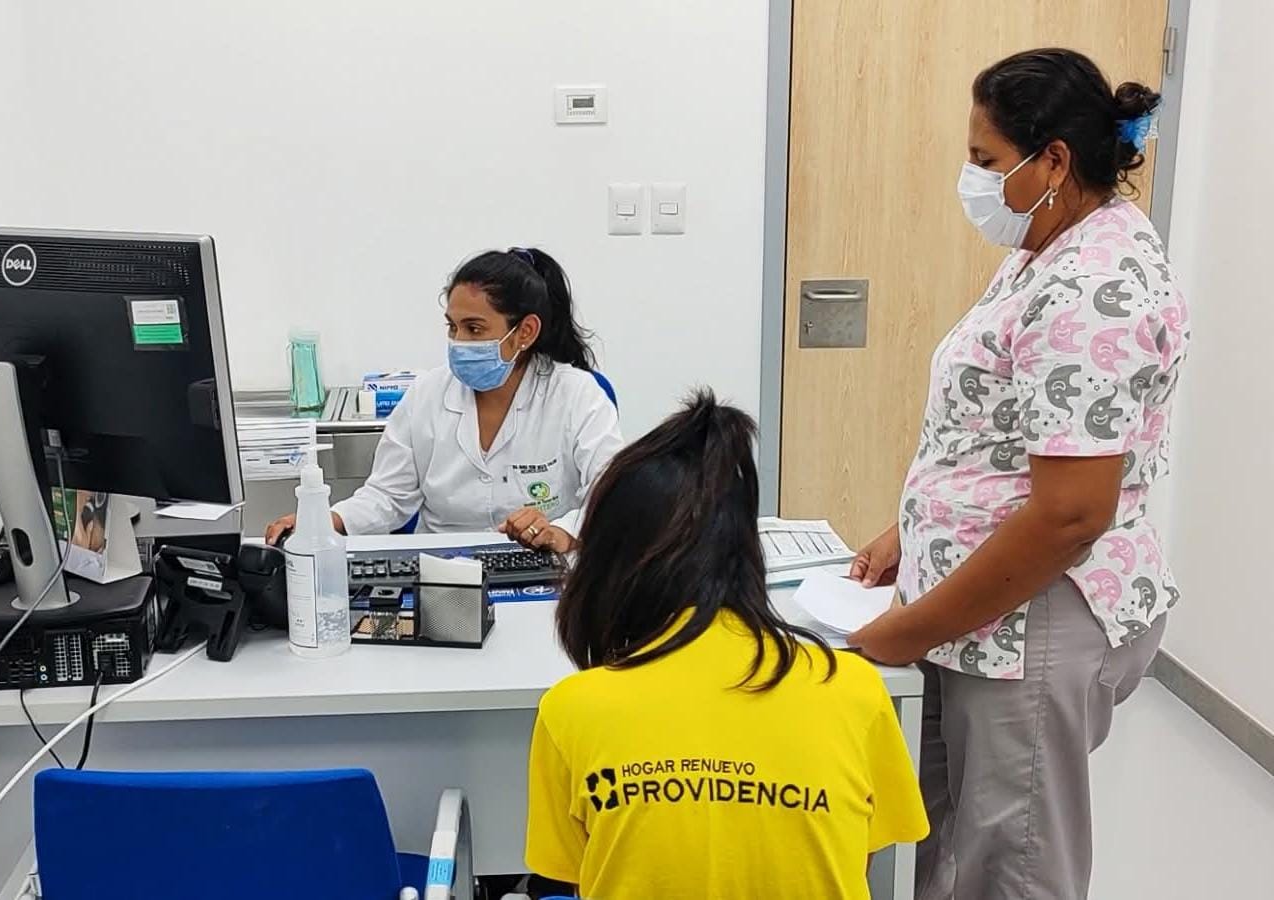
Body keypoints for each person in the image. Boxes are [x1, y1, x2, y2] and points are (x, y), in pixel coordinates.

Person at [846, 49, 1189, 900]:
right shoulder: (1050, 243)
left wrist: (910, 629)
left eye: (984, 161)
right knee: (932, 834)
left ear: (1055, 161)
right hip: (981, 603)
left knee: (1015, 864)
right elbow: (1004, 429)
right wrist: (916, 527)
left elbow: (1072, 515)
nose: (972, 180)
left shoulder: (1093, 285)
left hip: (1032, 624)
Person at [525, 391, 928, 900]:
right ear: (749, 553)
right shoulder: (855, 691)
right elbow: (850, 863)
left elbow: (579, 876)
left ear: (607, 566)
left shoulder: (570, 710)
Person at [264, 248, 622, 553]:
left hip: (537, 566)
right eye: (452, 327)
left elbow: (611, 493)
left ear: (525, 332)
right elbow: (387, 496)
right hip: (439, 569)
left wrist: (561, 532)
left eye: (474, 329)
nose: (459, 342)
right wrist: (327, 520)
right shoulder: (427, 395)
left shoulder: (577, 395)